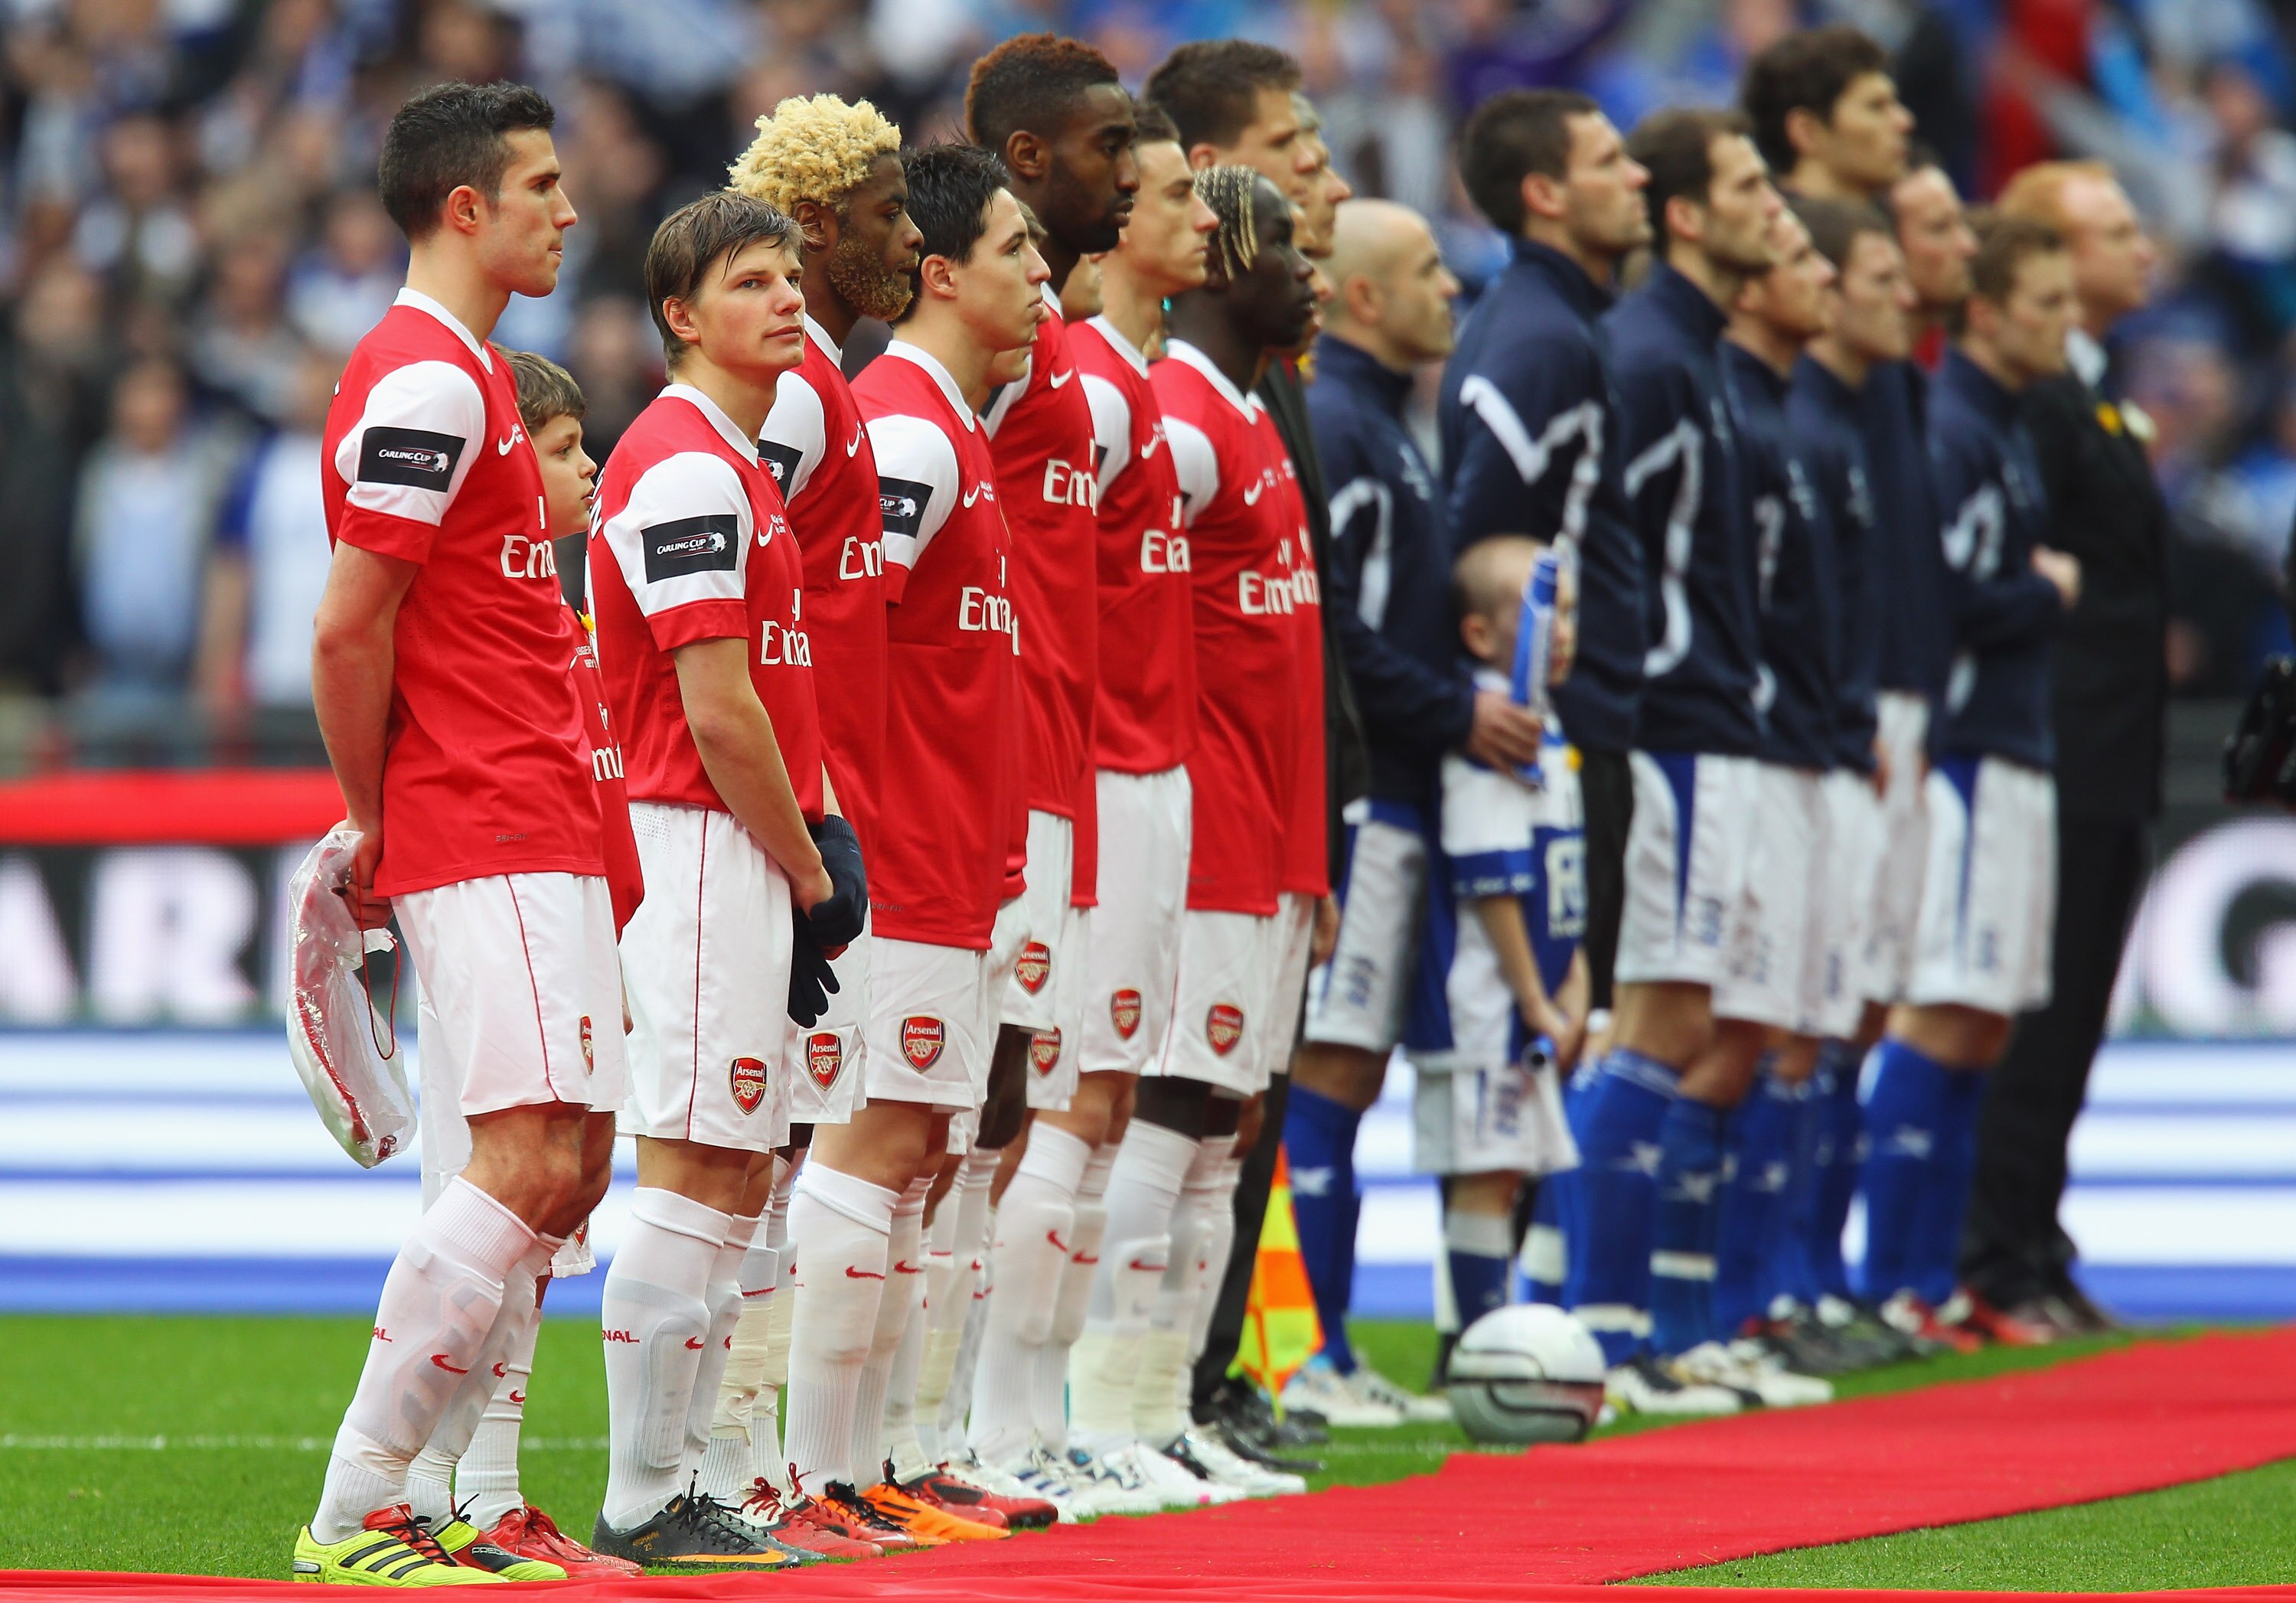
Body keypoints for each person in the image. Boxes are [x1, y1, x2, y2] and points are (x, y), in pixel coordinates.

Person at [295, 80, 619, 1588]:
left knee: (555, 1168)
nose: (569, 208)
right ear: (466, 207)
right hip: (482, 811)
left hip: (529, 807)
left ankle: (436, 1504)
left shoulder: (469, 374)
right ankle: (366, 1503)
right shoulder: (428, 378)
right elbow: (349, 631)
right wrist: (377, 815)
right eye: (543, 184)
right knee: (521, 1158)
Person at [585, 190, 853, 1569]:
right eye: (753, 281)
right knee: (697, 1172)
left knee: (736, 1168)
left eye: (794, 274)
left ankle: (682, 1478)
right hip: (699, 841)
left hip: (737, 842)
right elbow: (715, 706)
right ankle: (644, 1494)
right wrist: (810, 867)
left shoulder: (741, 461)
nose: (790, 297)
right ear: (683, 315)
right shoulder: (686, 461)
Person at [780, 142, 1041, 1546]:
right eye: (1020, 250)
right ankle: (814, 1477)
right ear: (942, 273)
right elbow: (824, 637)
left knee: (925, 1154)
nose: (1044, 274)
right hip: (898, 849)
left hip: (953, 852)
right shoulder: (913, 432)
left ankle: (880, 1462)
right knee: (872, 1148)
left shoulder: (947, 426)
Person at [1062, 164, 1319, 1508]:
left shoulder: (1241, 412)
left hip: (1263, 828)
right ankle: (1103, 1408)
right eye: (1290, 245)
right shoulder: (1168, 412)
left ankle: (1160, 1407)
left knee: (1220, 1123)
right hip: (1192, 808)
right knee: (1161, 1102)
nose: (1310, 268)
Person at [713, 93, 925, 1538]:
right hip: (765, 809)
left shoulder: (822, 385)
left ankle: (765, 1463)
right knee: (757, 1150)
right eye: (891, 213)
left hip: (817, 794)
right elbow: (730, 613)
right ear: (817, 226)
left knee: (783, 1148)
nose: (909, 238)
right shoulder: (785, 403)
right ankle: (728, 1462)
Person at [396, 348, 644, 1582]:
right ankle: (427, 1490)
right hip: (497, 895)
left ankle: (486, 1487)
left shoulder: (564, 611)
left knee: (553, 1211)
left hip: (579, 916)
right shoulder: (474, 625)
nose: (584, 464)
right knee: (500, 1188)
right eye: (560, 447)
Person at [1004, 102, 1219, 1503]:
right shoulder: (1072, 378)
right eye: (1176, 191)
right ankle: (1016, 1427)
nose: (1204, 214)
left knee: (1102, 1098)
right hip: (1078, 775)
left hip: (1140, 769)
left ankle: (1071, 1422)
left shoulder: (1127, 382)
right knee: (1057, 1103)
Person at [1559, 106, 1777, 1418]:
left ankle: (1643, 1320)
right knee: (1658, 1020)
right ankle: (1603, 1324)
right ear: (1697, 214)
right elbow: (1600, 544)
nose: (1773, 208)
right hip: (1666, 722)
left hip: (1710, 721)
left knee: (1692, 1021)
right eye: (1754, 185)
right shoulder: (1647, 356)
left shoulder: (1698, 354)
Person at [954, 33, 1139, 1494]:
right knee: (970, 1112)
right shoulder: (994, 357)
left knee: (1017, 1112)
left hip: (1066, 770)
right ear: (1031, 159)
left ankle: (1002, 1434)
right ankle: (944, 1439)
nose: (1132, 174)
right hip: (997, 776)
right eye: (1110, 147)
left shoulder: (1064, 350)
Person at [1438, 90, 1653, 1344]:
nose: (1636, 178)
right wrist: (1502, 677)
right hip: (1545, 730)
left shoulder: (1569, 325)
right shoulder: (1543, 340)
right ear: (1545, 193)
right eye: (1611, 159)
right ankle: (1517, 1328)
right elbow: (1481, 533)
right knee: (1550, 1022)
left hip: (1569, 718)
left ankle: (1532, 1319)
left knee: (1571, 1023)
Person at [1858, 214, 2083, 1337]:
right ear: (1988, 313)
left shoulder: (1996, 428)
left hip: (2013, 746)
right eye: (2047, 303)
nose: (2069, 323)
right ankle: (1889, 1279)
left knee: (1983, 1019)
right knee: (1941, 1008)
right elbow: (1939, 598)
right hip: (1966, 749)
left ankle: (1932, 1280)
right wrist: (2046, 591)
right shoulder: (1952, 428)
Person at [1293, 193, 1497, 1398]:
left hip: (1398, 791)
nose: (1450, 290)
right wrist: (1459, 705)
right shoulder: (1347, 428)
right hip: (1365, 794)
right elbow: (1337, 634)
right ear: (1362, 294)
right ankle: (1304, 1351)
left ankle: (1323, 1344)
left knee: (1349, 1067)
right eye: (1427, 270)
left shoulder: (1380, 425)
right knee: (1331, 1063)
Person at [1962, 163, 2166, 1340]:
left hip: (2110, 750)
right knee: (2030, 1020)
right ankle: (1995, 1251)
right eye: (2118, 229)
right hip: (2059, 745)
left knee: (2074, 1015)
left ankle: (2033, 1239)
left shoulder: (2089, 390)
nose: (2146, 249)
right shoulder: (2035, 401)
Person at [1691, 209, 1843, 1405]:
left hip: (1789, 745)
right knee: (1713, 1028)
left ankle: (1754, 1302)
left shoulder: (1790, 412)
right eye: (1805, 257)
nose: (1827, 280)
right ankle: (1686, 1308)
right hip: (1727, 743)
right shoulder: (1723, 396)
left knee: (1775, 1027)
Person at [1775, 196, 1916, 1359]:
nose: (1900, 293)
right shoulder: (1799, 423)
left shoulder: (1846, 422)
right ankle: (1761, 1290)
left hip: (1832, 739)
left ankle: (1809, 1279)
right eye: (1868, 271)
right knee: (1774, 1026)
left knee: (1831, 1016)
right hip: (1782, 747)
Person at [1401, 535, 1589, 1361]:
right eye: (1540, 612)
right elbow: (1494, 883)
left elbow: (1558, 880)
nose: (1560, 631)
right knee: (1486, 1172)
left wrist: (1574, 982)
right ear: (1479, 635)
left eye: (1569, 613)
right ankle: (1477, 1348)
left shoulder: (1550, 732)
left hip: (1531, 1003)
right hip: (1484, 1002)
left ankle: (1491, 1338)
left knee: (1512, 1167)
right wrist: (1536, 998)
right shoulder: (1496, 739)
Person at [1741, 25, 1913, 206]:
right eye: (1875, 107)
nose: (1904, 121)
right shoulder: (1775, 233)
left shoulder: (1897, 223)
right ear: (1806, 132)